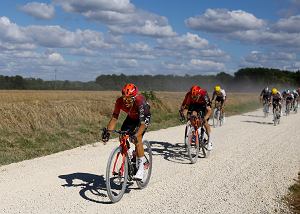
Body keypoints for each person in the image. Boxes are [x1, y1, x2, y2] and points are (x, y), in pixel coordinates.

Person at [101, 83, 151, 180]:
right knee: (122, 135)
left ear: (134, 97)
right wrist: (108, 132)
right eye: (124, 98)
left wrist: (136, 135)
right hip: (131, 118)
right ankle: (130, 154)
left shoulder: (140, 102)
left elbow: (142, 124)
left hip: (143, 119)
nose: (126, 101)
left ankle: (141, 168)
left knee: (137, 138)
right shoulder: (119, 101)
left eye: (129, 99)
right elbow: (115, 118)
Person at [179, 85, 213, 150]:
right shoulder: (189, 95)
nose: (193, 97)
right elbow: (184, 105)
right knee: (191, 116)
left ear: (199, 94)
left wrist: (204, 118)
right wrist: (182, 113)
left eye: (195, 96)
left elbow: (209, 110)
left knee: (205, 122)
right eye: (192, 96)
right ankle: (195, 130)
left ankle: (209, 141)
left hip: (203, 105)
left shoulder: (204, 94)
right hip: (194, 105)